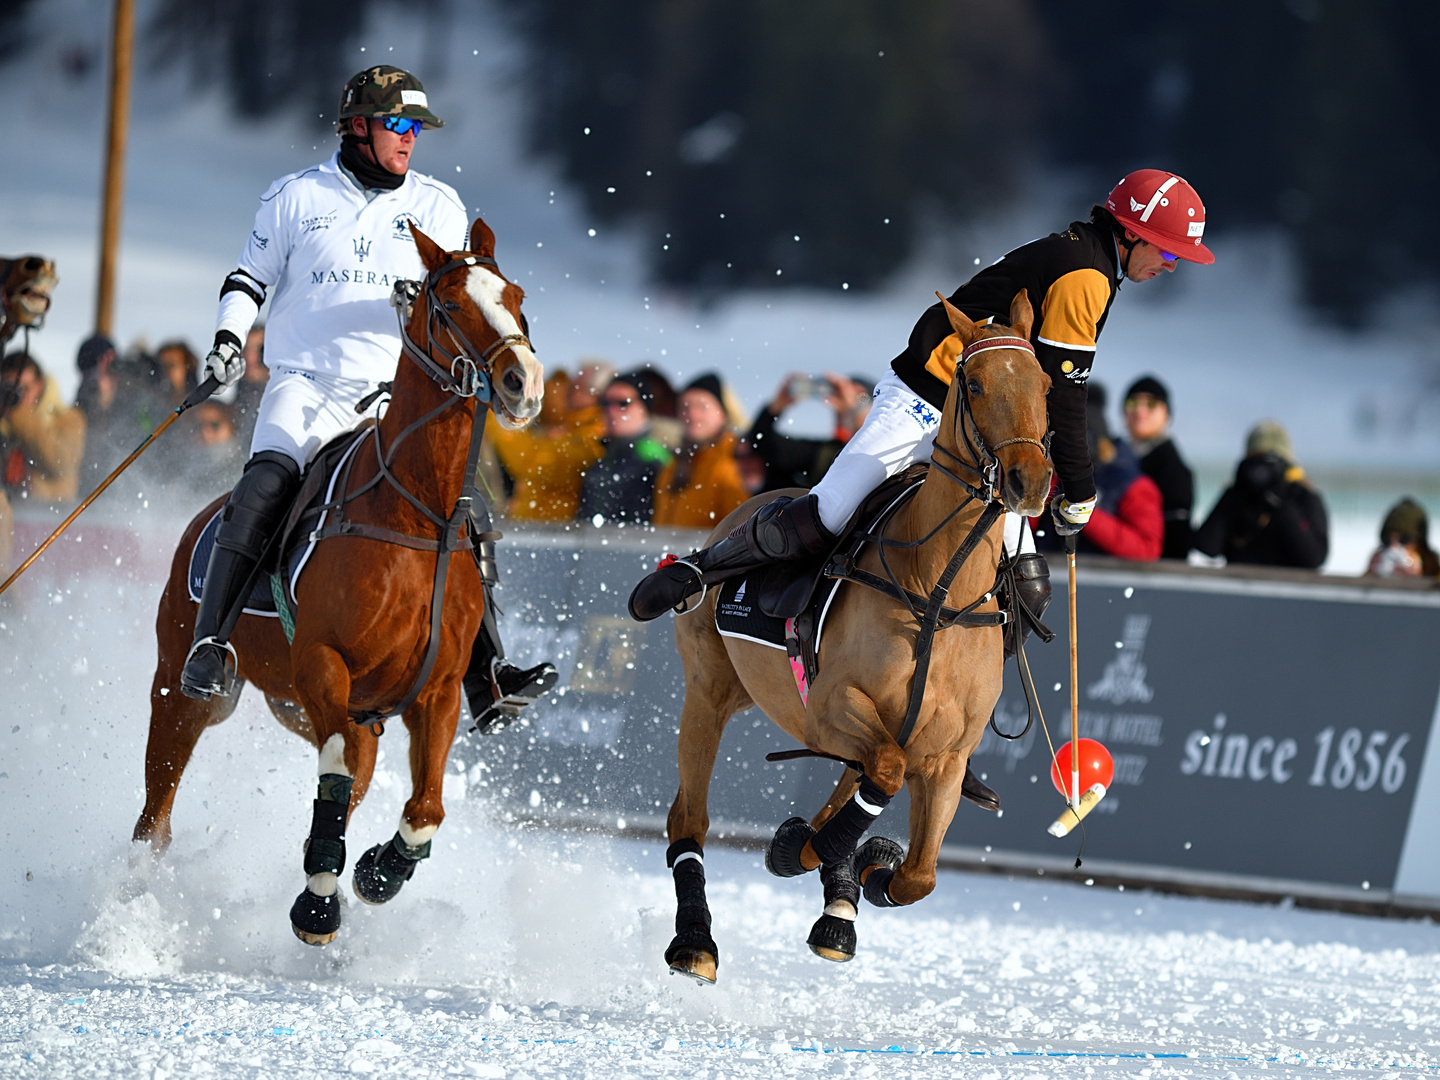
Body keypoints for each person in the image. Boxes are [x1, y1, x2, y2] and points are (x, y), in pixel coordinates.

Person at [631, 169, 1214, 619]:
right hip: (929, 396)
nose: (1170, 266)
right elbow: (1065, 395)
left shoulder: (1094, 264)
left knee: (1023, 585)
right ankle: (697, 573)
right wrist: (1080, 490)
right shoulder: (1085, 275)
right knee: (825, 515)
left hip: (984, 427)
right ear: (1135, 233)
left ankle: (956, 734)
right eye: (1168, 252)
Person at [179, 64, 556, 732]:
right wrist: (229, 340)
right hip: (308, 388)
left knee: (466, 508)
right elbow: (248, 277)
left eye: (416, 129)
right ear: (358, 127)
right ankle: (211, 643)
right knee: (265, 484)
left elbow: (462, 297)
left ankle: (486, 674)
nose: (410, 140)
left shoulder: (440, 205)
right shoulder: (296, 196)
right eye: (398, 125)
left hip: (396, 399)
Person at [1040, 383, 1162, 561]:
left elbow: (1146, 550)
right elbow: (1026, 526)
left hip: (1110, 582)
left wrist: (1082, 509)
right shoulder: (1056, 479)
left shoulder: (1133, 486)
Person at [1193, 420, 1328, 569]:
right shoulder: (1239, 495)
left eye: (1271, 463)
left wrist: (1281, 505)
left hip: (1289, 587)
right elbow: (1207, 546)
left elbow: (1314, 557)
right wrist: (1236, 495)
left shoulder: (1303, 498)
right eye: (1256, 460)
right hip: (1239, 586)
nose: (1262, 471)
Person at [491, 368, 605, 522]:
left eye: (579, 388)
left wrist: (495, 416)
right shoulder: (571, 426)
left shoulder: (596, 430)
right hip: (537, 525)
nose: (570, 392)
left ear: (597, 395)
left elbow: (532, 464)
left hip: (554, 528)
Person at [651, 372, 750, 528]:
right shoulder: (673, 465)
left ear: (722, 413)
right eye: (685, 407)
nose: (692, 414)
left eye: (702, 406)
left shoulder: (737, 460)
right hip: (669, 551)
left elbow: (743, 527)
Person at [746, 372, 873, 491]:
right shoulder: (825, 453)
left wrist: (854, 408)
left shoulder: (882, 448)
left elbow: (872, 441)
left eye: (862, 397)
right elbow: (761, 443)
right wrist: (776, 407)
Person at [577, 369, 672, 525]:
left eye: (623, 403)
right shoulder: (600, 458)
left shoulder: (656, 460)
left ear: (644, 408)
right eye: (605, 403)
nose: (612, 410)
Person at [1, 350, 86, 507]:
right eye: (9, 389)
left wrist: (20, 416)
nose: (15, 395)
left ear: (40, 385)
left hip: (49, 518)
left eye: (23, 388)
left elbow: (59, 464)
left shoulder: (67, 419)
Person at [1122, 374, 1193, 560]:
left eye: (1151, 405)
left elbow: (1177, 539)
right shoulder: (1117, 456)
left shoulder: (1174, 469)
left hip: (1152, 571)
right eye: (1132, 403)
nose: (1140, 411)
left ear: (1167, 415)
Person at [1366, 498, 1439, 578]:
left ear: (1420, 544)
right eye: (1386, 540)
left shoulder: (1435, 573)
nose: (1393, 546)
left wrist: (1419, 579)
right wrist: (1370, 576)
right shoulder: (1377, 561)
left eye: (1404, 540)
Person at [231, 324, 269, 448]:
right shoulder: (240, 393)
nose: (249, 357)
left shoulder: (289, 395)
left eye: (261, 349)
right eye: (244, 349)